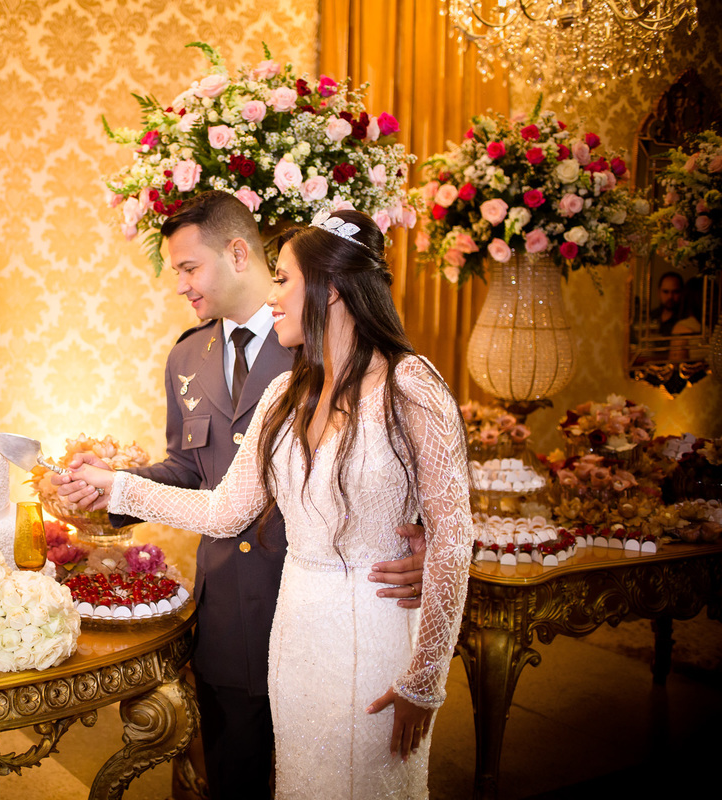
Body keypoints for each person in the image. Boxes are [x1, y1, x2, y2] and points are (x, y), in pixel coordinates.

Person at [62, 209, 471, 799]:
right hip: (295, 634)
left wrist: (425, 681)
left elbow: (453, 538)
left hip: (374, 630)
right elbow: (225, 511)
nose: (272, 294)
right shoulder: (287, 393)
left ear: (330, 291)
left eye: (282, 279)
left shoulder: (413, 386)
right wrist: (116, 485)